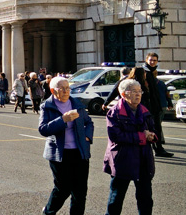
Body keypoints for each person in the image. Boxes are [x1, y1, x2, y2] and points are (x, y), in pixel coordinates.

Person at [38, 76, 93, 215]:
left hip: (79, 151)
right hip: (60, 153)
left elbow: (89, 122)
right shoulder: (47, 106)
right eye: (61, 88)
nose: (65, 91)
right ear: (52, 90)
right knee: (63, 188)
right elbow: (43, 129)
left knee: (80, 191)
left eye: (67, 88)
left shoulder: (77, 104)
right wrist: (62, 120)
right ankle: (48, 212)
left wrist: (87, 136)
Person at [103, 79, 156, 215]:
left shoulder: (144, 110)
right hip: (123, 159)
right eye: (133, 91)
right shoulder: (115, 113)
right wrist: (141, 137)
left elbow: (153, 129)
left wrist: (152, 136)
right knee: (116, 199)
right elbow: (116, 136)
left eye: (140, 91)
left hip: (143, 159)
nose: (138, 95)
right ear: (123, 94)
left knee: (145, 199)